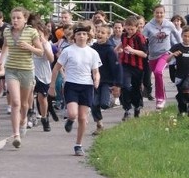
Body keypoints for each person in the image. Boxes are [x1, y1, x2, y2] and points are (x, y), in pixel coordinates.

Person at [49, 22, 101, 157]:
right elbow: (56, 68)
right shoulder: (68, 51)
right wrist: (52, 86)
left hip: (87, 86)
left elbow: (96, 71)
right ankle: (70, 120)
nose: (81, 36)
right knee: (72, 114)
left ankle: (78, 145)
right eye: (79, 34)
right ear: (74, 37)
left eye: (84, 34)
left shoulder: (93, 53)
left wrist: (96, 79)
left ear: (88, 36)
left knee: (83, 118)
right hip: (71, 84)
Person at [0, 7, 42, 149]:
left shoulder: (31, 32)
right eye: (13, 18)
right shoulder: (7, 31)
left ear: (25, 19)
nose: (15, 20)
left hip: (27, 70)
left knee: (24, 104)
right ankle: (16, 135)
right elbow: (5, 46)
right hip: (11, 70)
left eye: (18, 18)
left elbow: (40, 52)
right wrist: (1, 60)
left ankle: (23, 120)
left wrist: (29, 47)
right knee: (15, 102)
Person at [143, 5, 181, 110]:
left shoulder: (169, 25)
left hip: (166, 53)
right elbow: (142, 41)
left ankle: (160, 98)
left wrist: (181, 48)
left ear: (164, 13)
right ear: (154, 13)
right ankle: (160, 96)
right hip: (152, 55)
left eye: (161, 13)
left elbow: (178, 37)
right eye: (157, 13)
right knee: (156, 75)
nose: (159, 15)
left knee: (159, 72)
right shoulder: (148, 26)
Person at [90, 24, 122, 134]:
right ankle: (99, 124)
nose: (99, 34)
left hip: (106, 81)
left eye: (102, 33)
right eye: (98, 32)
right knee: (94, 104)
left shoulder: (110, 50)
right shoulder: (92, 48)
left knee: (103, 104)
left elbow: (116, 67)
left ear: (108, 35)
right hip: (93, 80)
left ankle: (110, 98)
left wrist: (117, 84)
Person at [115, 16, 147, 121]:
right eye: (128, 29)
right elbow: (122, 44)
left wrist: (132, 50)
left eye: (132, 29)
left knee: (136, 88)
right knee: (125, 86)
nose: (130, 31)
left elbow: (144, 54)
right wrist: (116, 50)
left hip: (137, 67)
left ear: (137, 27)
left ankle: (137, 106)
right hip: (125, 65)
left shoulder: (139, 37)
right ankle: (127, 109)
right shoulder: (124, 36)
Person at [32, 21, 55, 132]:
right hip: (31, 72)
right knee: (28, 96)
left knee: (42, 98)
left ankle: (44, 118)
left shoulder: (47, 44)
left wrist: (44, 44)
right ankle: (31, 114)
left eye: (39, 33)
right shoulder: (29, 43)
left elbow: (51, 59)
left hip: (43, 74)